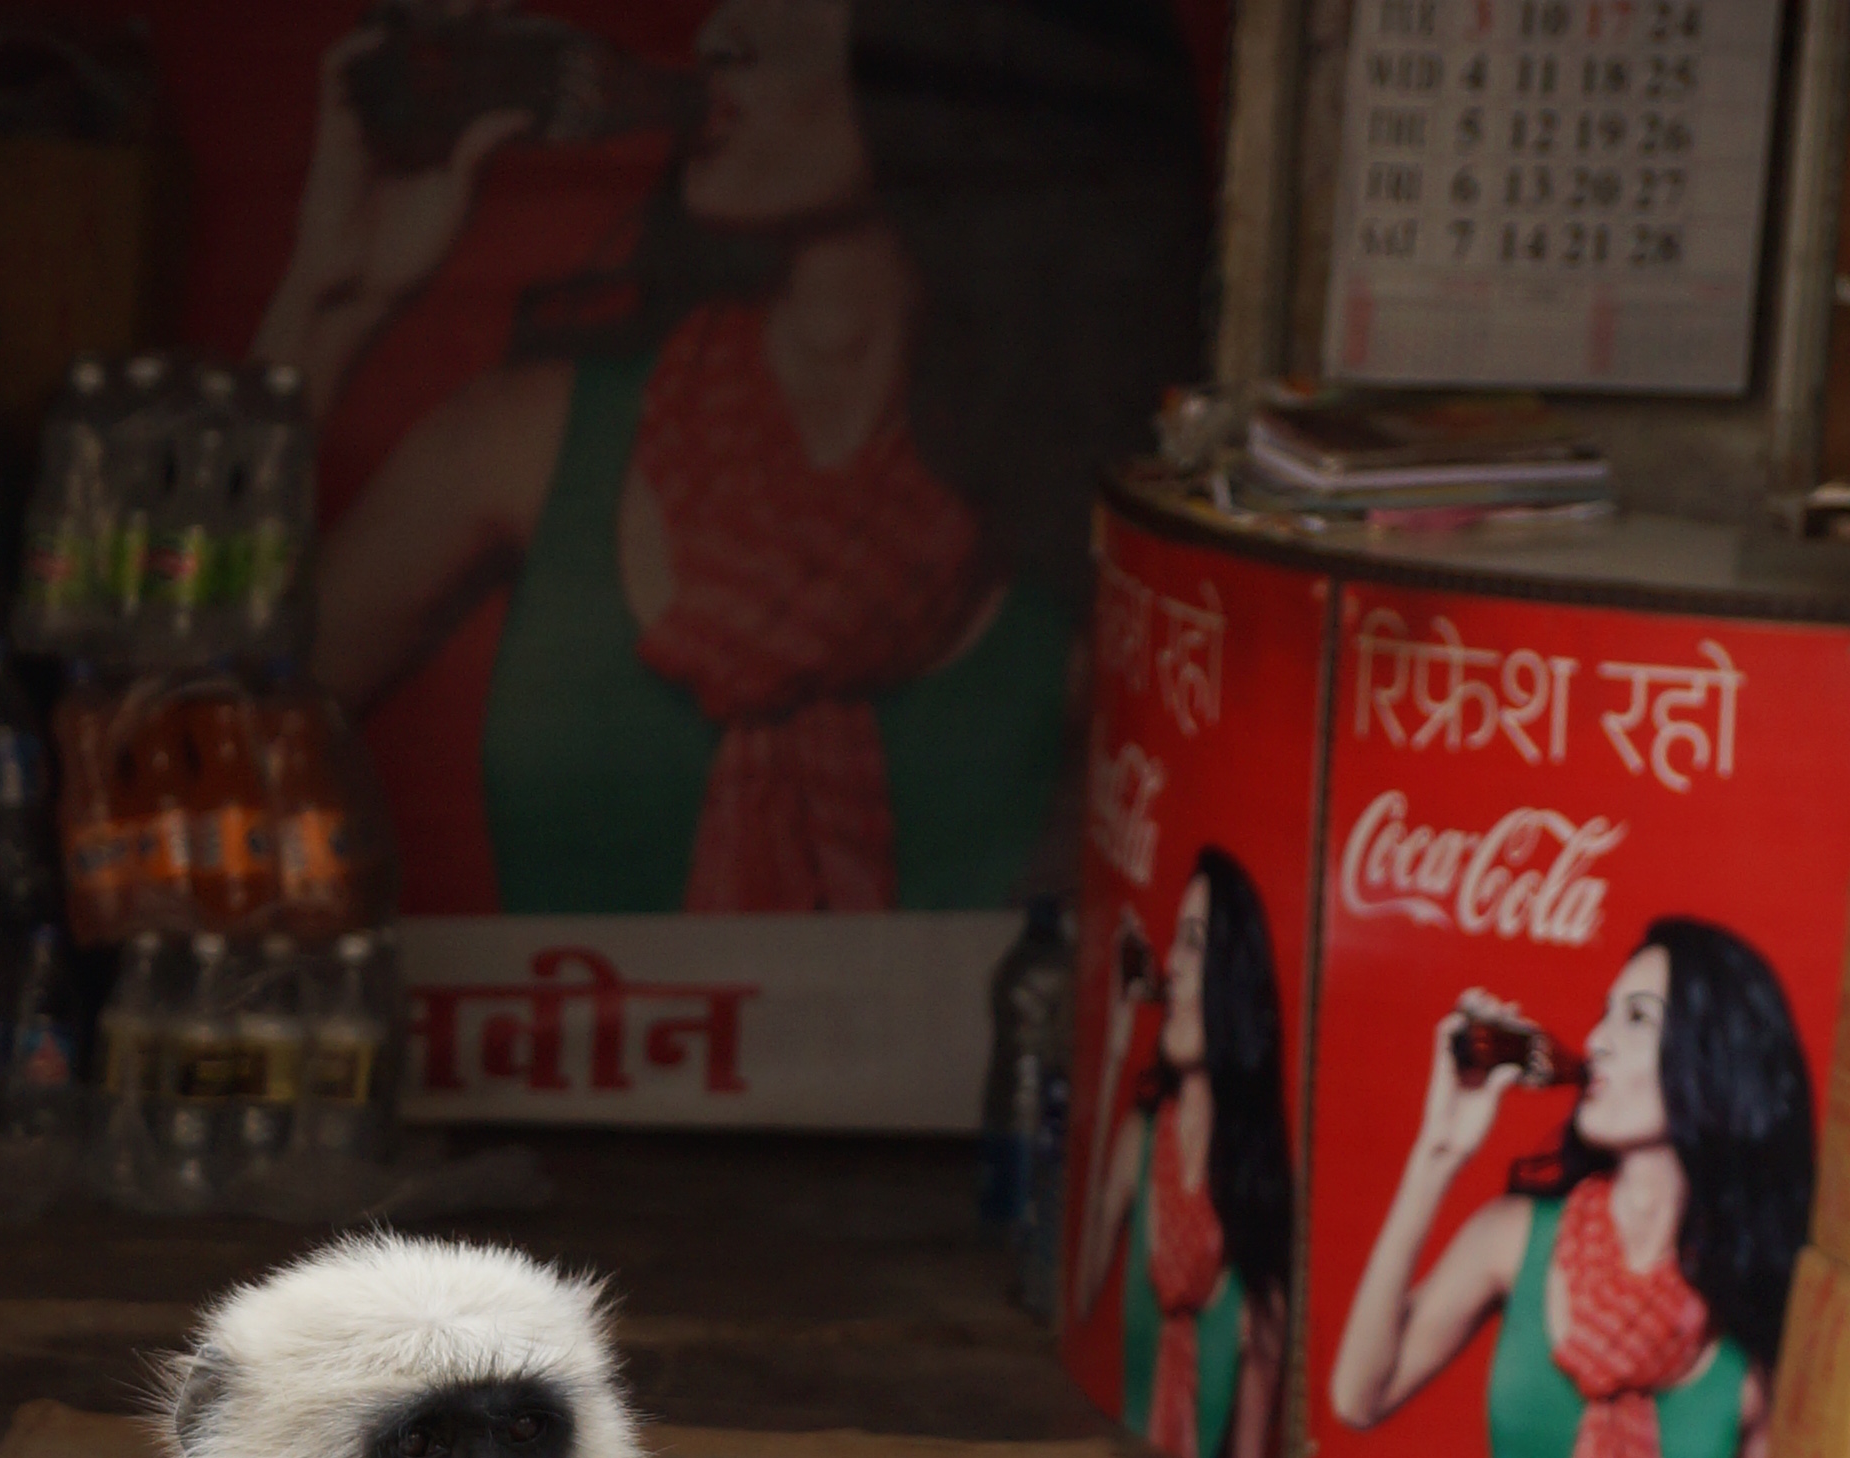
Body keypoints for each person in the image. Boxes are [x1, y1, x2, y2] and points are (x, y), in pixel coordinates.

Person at [256, 0, 1204, 918]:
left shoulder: (1077, 541)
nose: (718, 36)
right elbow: (192, 742)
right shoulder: (528, 445)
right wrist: (330, 301)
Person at [1325, 917, 1816, 1458]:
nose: (1595, 1042)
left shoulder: (1752, 1343)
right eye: (1603, 1015)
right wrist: (1436, 1155)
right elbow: (1358, 1396)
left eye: (1636, 1019)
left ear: (1716, 1057)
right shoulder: (1514, 1238)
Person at [1074, 846, 1292, 1458]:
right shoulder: (1141, 1139)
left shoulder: (1255, 1192)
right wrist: (1114, 1048)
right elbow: (1084, 1287)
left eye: (1194, 945)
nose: (1171, 966)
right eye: (1174, 944)